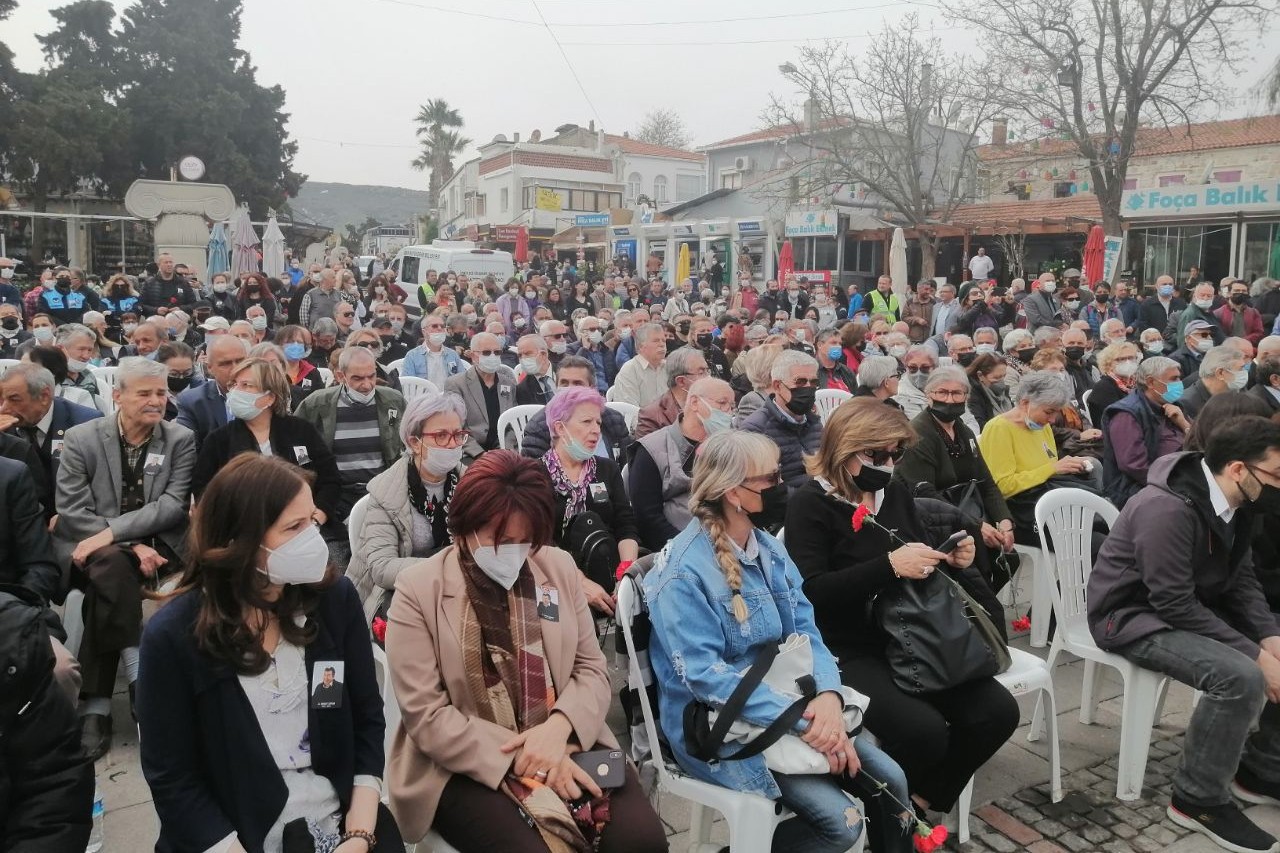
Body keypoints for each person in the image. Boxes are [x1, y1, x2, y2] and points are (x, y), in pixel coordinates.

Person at [642, 429, 913, 853]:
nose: (784, 486)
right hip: (720, 725)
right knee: (841, 826)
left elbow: (806, 628)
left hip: (790, 701)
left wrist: (827, 698)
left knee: (892, 782)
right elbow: (705, 679)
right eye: (771, 479)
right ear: (735, 492)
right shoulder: (681, 573)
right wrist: (808, 722)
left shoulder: (766, 546)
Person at [384, 450, 667, 851]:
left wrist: (557, 730)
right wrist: (528, 756)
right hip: (465, 761)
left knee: (642, 841)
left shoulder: (556, 567)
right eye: (502, 541)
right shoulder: (420, 590)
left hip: (566, 739)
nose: (515, 553)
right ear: (465, 527)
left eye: (525, 542)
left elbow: (591, 669)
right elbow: (427, 714)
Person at [138, 454, 403, 853]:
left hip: (341, 820)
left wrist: (361, 833)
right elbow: (173, 778)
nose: (313, 537)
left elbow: (367, 717)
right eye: (293, 528)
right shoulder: (175, 636)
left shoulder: (331, 600)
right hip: (234, 832)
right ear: (238, 542)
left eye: (312, 520)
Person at [783, 399, 1018, 824]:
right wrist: (889, 566)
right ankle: (882, 811)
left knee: (997, 713)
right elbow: (812, 592)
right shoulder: (810, 503)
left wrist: (950, 559)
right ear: (844, 448)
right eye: (877, 455)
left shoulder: (893, 492)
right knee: (923, 732)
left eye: (896, 454)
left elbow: (914, 561)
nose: (889, 464)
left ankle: (920, 804)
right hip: (849, 644)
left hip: (912, 634)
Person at [1087, 415, 1280, 853]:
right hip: (1129, 617)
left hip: (1183, 607)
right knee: (1240, 677)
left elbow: (1241, 579)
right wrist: (1256, 656)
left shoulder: (1241, 500)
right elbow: (1172, 603)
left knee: (1272, 655)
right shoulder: (1167, 508)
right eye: (1277, 475)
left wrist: (1269, 638)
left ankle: (1259, 772)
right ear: (1237, 469)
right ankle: (1197, 799)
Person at [54, 356, 196, 759]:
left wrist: (114, 533)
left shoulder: (178, 439)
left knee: (111, 579)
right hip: (90, 548)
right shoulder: (81, 438)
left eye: (161, 392)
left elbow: (171, 506)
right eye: (144, 393)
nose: (155, 401)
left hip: (158, 548)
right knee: (114, 566)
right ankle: (139, 679)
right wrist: (129, 544)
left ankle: (95, 707)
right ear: (117, 396)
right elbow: (73, 510)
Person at [191, 357, 342, 543]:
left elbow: (331, 480)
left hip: (306, 528)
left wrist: (318, 516)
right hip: (243, 536)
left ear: (269, 397)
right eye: (234, 385)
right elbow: (204, 491)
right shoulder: (219, 440)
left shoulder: (301, 430)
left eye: (246, 385)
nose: (236, 392)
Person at [347, 391, 466, 623]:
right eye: (441, 435)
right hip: (399, 593)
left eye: (458, 434)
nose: (453, 444)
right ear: (414, 441)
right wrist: (449, 568)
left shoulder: (469, 482)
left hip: (455, 587)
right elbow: (382, 568)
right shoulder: (388, 492)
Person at [896, 366, 1016, 590]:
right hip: (934, 520)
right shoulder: (919, 434)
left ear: (966, 396)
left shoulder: (964, 433)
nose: (949, 399)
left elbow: (986, 482)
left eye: (956, 393)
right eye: (941, 392)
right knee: (981, 556)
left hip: (967, 512)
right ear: (928, 395)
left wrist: (1004, 521)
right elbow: (924, 493)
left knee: (1008, 557)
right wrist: (977, 526)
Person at [0, 581, 94, 852]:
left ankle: (98, 706)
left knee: (60, 669)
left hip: (22, 613)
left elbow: (40, 566)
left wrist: (23, 608)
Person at [541, 387, 638, 615]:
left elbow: (626, 525)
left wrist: (626, 571)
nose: (596, 430)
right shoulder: (534, 475)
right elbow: (538, 543)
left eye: (598, 423)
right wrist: (580, 583)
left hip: (607, 568)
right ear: (559, 427)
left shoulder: (607, 469)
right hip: (553, 576)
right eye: (586, 422)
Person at [978, 371, 1100, 545]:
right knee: (1096, 543)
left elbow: (1048, 469)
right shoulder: (999, 428)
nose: (1052, 419)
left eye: (1056, 413)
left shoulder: (1041, 426)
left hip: (1046, 501)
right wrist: (1053, 468)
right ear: (1025, 403)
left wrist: (1068, 466)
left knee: (1107, 529)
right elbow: (1002, 487)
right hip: (1021, 511)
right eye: (1048, 412)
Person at [294, 346, 407, 521]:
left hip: (381, 491)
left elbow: (409, 441)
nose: (367, 384)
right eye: (357, 378)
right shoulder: (317, 404)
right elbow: (294, 442)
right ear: (341, 376)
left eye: (371, 376)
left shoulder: (393, 401)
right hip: (336, 494)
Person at [0, 361, 102, 504]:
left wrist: (67, 515)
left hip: (68, 513)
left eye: (14, 399)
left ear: (44, 396)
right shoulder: (3, 427)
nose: (3, 409)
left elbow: (99, 485)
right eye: (1, 399)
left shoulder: (85, 424)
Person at [1100, 356, 1191, 507]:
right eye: (1173, 379)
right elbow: (1134, 466)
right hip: (1139, 488)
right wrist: (1173, 484)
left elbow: (1200, 443)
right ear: (1150, 382)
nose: (1179, 384)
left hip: (1180, 475)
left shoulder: (1174, 405)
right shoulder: (1126, 414)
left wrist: (1183, 423)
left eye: (1179, 378)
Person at [740, 350, 822, 496]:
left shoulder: (814, 422)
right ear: (777, 386)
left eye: (814, 382)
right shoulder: (756, 430)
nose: (808, 388)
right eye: (800, 382)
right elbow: (762, 490)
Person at [444, 332, 518, 464]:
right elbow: (456, 427)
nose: (493, 356)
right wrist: (480, 454)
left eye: (497, 352)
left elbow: (512, 424)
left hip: (502, 450)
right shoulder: (456, 384)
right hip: (469, 452)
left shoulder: (508, 383)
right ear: (473, 356)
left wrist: (504, 450)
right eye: (486, 352)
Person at [635, 346, 708, 439]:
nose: (708, 378)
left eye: (707, 371)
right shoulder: (651, 417)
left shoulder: (711, 404)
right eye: (701, 373)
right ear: (681, 381)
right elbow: (650, 452)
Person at [1182, 346, 1250, 420]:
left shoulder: (1237, 392)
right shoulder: (1187, 404)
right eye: (1241, 368)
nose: (1244, 372)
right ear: (1220, 373)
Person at [1086, 341, 1142, 427]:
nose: (1128, 362)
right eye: (1121, 359)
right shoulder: (1104, 387)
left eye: (1131, 358)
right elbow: (1118, 419)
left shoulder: (1137, 383)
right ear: (1108, 364)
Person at [612, 323, 667, 407]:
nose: (662, 344)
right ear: (641, 346)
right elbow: (630, 410)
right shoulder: (629, 370)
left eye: (664, 340)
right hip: (640, 418)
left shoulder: (669, 368)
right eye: (656, 341)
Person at [966, 353, 1012, 430]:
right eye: (996, 377)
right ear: (980, 375)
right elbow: (979, 424)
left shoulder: (1004, 391)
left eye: (1004, 376)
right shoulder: (972, 394)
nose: (1001, 381)